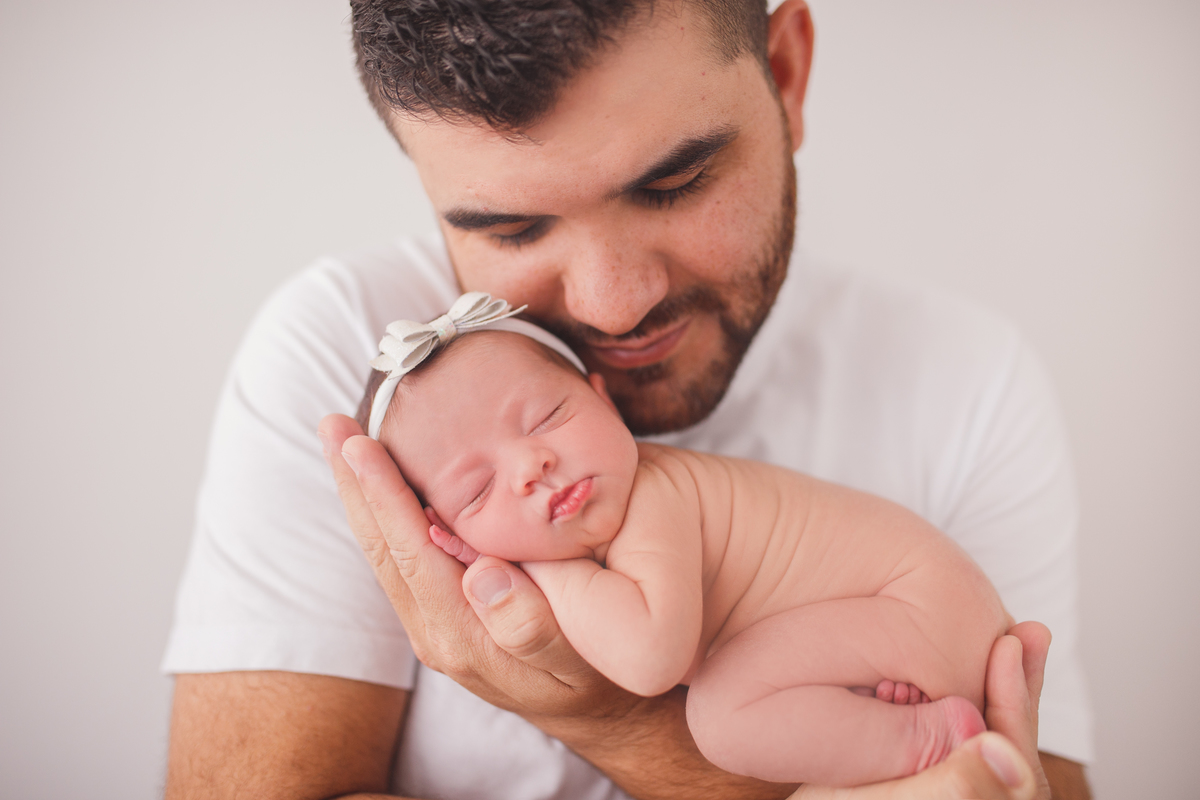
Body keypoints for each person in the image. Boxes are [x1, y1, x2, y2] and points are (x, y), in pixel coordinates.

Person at [163, 1, 1093, 798]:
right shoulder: (346, 356)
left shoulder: (965, 379)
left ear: (786, 73)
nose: (614, 304)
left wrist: (613, 721)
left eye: (674, 183)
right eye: (511, 227)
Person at [362, 300, 1011, 786]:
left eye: (547, 418)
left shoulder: (654, 496)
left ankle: (929, 737)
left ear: (603, 401)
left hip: (920, 607)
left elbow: (650, 662)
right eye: (477, 489)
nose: (532, 466)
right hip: (899, 626)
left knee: (723, 716)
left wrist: (538, 568)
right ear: (446, 536)